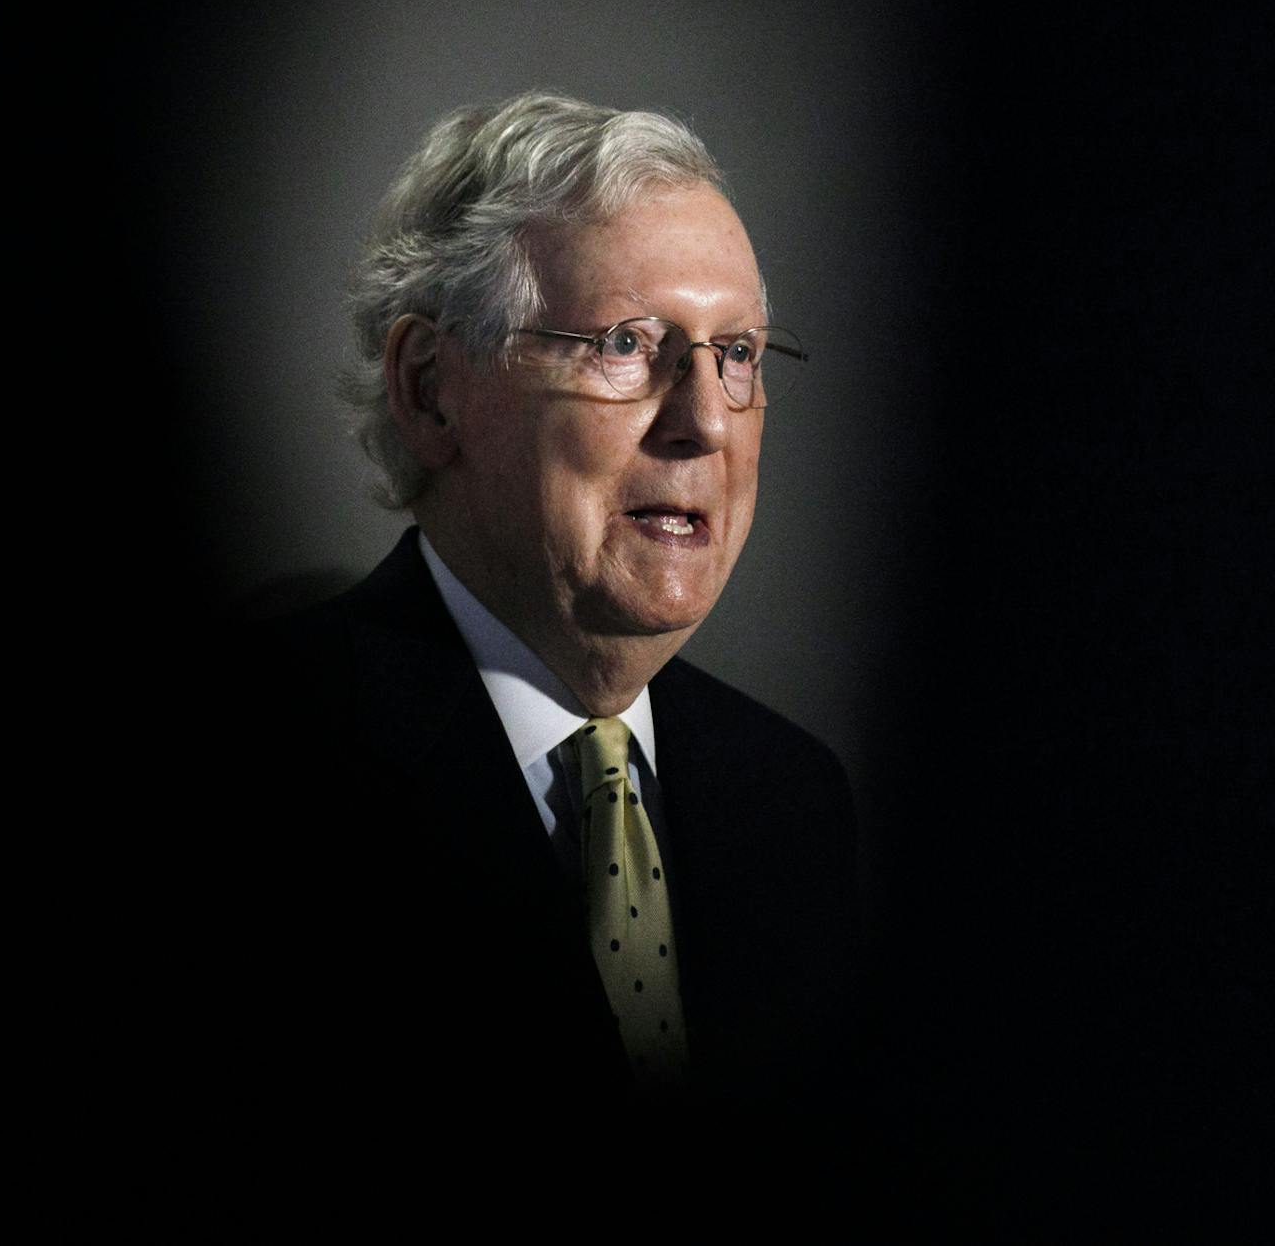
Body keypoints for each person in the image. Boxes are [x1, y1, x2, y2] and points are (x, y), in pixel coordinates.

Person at [260, 92, 861, 1150]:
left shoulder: (795, 804)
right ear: (431, 391)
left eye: (739, 354)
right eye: (627, 344)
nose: (706, 424)